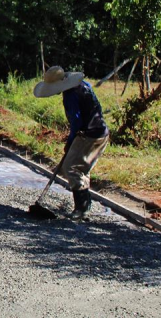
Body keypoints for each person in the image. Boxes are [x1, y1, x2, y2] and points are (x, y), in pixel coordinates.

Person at [34, 66, 110, 219]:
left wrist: (70, 142)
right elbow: (97, 108)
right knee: (81, 168)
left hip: (89, 135)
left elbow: (76, 122)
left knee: (71, 167)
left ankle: (81, 208)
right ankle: (85, 204)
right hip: (100, 131)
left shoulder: (70, 96)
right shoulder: (84, 85)